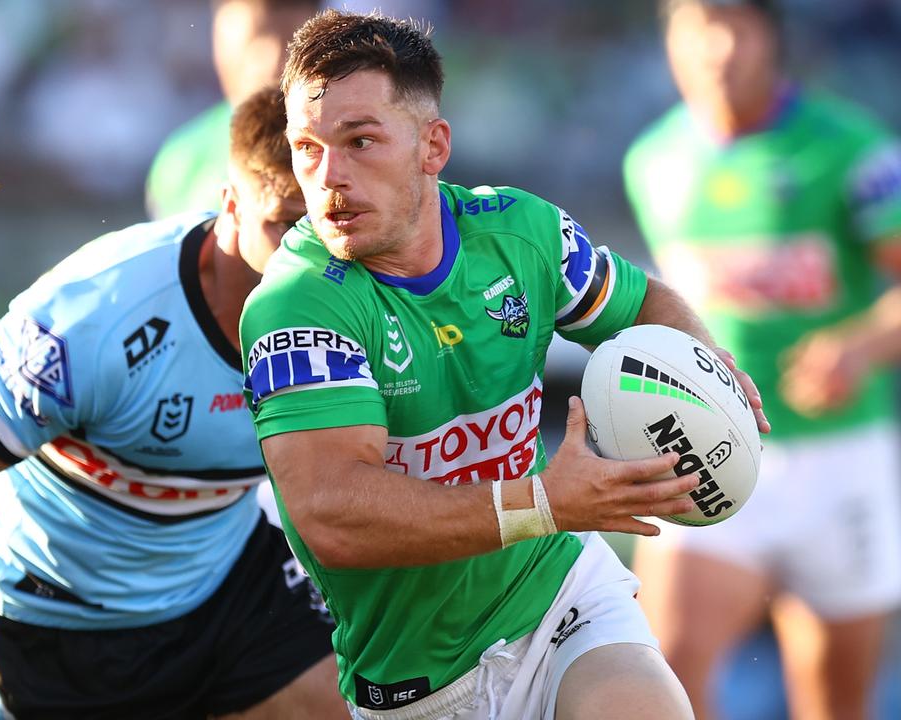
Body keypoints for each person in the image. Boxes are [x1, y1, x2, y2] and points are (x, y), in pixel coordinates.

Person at [240, 10, 770, 720]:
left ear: (434, 147)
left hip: (556, 599)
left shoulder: (522, 233)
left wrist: (712, 376)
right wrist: (546, 502)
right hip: (418, 680)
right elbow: (333, 516)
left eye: (361, 141)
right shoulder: (297, 306)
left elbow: (645, 307)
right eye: (308, 148)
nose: (329, 176)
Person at [0, 88, 348, 720]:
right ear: (230, 206)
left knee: (350, 700)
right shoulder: (94, 318)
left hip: (224, 578)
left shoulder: (361, 292)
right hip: (60, 618)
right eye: (283, 225)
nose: (307, 256)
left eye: (322, 227)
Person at [623, 1, 901, 718]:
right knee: (664, 671)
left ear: (772, 39)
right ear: (670, 42)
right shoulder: (651, 161)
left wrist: (860, 346)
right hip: (713, 450)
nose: (717, 49)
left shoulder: (857, 153)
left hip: (841, 460)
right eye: (698, 27)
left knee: (833, 702)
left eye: (736, 26)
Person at [146, 0, 319, 220]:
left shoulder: (338, 146)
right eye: (254, 42)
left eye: (291, 43)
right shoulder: (182, 159)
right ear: (219, 42)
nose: (273, 62)